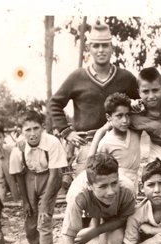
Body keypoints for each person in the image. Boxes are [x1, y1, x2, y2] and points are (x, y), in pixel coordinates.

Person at [48, 23, 140, 178]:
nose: (101, 50)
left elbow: (140, 103)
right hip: (88, 144)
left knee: (121, 189)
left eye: (105, 45)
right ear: (89, 48)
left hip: (119, 142)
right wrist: (66, 132)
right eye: (96, 46)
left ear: (112, 48)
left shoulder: (126, 77)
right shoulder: (77, 77)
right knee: (85, 188)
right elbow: (55, 103)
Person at [9, 111, 67, 244]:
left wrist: (44, 204)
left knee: (43, 222)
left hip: (49, 180)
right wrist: (25, 201)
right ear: (21, 131)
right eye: (27, 130)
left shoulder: (52, 142)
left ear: (42, 128)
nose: (32, 134)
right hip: (29, 179)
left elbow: (55, 173)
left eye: (36, 128)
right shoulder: (18, 148)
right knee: (30, 226)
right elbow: (18, 175)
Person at [88, 92, 142, 191]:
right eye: (119, 116)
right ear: (109, 117)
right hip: (116, 186)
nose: (125, 120)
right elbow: (98, 168)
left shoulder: (136, 132)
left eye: (127, 115)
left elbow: (145, 109)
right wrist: (102, 129)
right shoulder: (106, 142)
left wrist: (135, 103)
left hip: (134, 184)